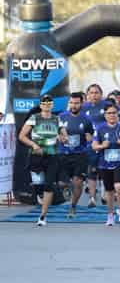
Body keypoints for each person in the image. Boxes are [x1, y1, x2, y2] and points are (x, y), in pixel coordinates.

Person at [19, 95, 67, 226]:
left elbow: (64, 135)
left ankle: (42, 216)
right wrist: (34, 145)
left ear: (52, 105)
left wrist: (63, 138)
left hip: (52, 155)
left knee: (49, 184)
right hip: (36, 155)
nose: (46, 105)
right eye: (44, 103)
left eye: (49, 103)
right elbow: (22, 136)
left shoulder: (57, 119)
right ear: (40, 105)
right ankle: (40, 193)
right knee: (38, 183)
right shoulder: (34, 118)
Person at [92, 103, 120, 225]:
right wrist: (102, 145)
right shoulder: (100, 128)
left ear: (118, 114)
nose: (112, 115)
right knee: (109, 190)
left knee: (119, 186)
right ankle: (110, 215)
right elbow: (94, 145)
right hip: (104, 163)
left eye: (114, 113)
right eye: (109, 113)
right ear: (105, 115)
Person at [58, 92, 94, 218]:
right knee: (62, 183)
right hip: (63, 153)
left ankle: (73, 206)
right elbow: (55, 132)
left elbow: (90, 136)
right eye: (71, 103)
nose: (73, 105)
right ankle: (66, 187)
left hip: (80, 154)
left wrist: (90, 139)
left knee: (78, 182)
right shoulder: (61, 117)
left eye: (76, 103)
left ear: (81, 103)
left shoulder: (86, 119)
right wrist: (60, 138)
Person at [82, 83, 110, 207]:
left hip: (105, 143)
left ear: (101, 94)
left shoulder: (107, 106)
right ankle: (92, 198)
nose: (94, 95)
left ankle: (105, 195)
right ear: (87, 95)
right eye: (91, 92)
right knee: (91, 171)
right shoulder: (83, 108)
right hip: (90, 144)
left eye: (96, 92)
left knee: (105, 169)